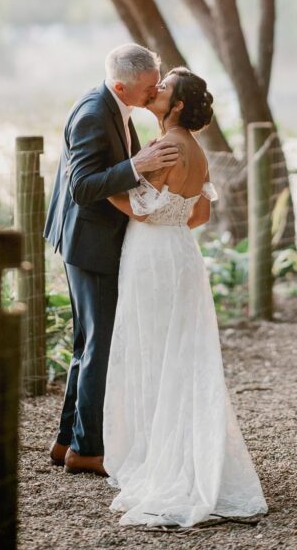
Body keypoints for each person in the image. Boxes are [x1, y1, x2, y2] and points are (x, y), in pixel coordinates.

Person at [102, 67, 268, 527]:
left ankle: (170, 464)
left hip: (154, 254)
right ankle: (181, 453)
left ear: (176, 106)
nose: (155, 91)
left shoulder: (167, 146)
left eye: (164, 88)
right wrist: (164, 220)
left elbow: (144, 209)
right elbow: (198, 214)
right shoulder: (196, 149)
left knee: (158, 355)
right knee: (180, 355)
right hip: (179, 251)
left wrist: (99, 191)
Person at [43, 43, 180, 476]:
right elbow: (82, 187)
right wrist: (137, 165)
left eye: (157, 80)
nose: (155, 89)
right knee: (99, 346)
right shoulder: (91, 115)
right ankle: (87, 449)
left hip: (88, 239)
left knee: (88, 343)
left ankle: (67, 440)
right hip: (90, 244)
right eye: (149, 85)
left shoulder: (114, 105)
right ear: (121, 85)